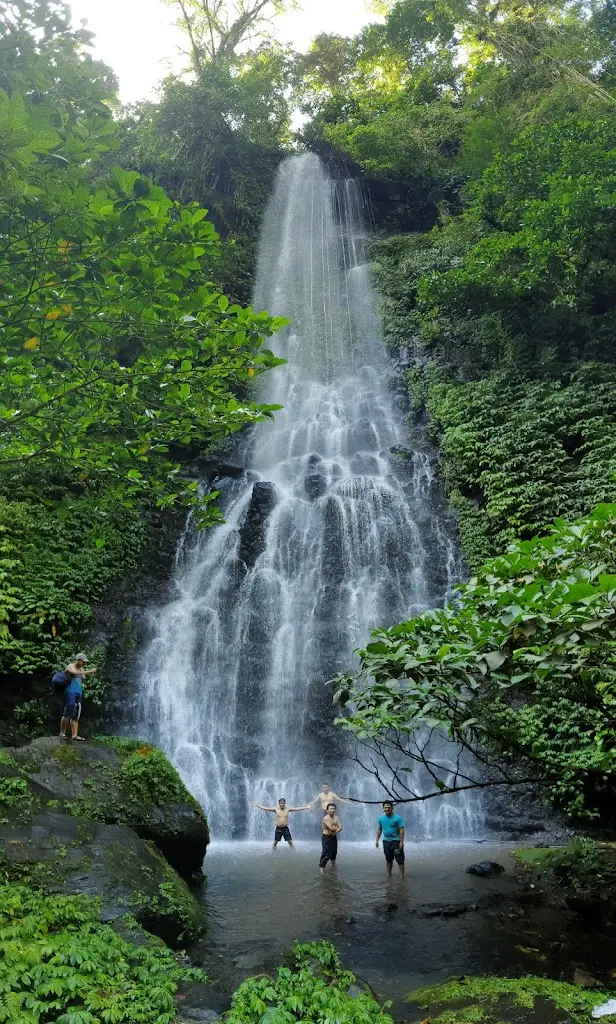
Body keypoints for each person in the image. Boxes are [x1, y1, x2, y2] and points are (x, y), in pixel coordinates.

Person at [60, 653, 97, 742]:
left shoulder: (81, 669)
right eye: (83, 662)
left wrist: (91, 674)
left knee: (76, 714)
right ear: (78, 660)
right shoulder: (70, 666)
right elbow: (74, 672)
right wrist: (88, 671)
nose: (84, 664)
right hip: (70, 692)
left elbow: (83, 676)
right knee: (67, 712)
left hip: (78, 692)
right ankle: (62, 733)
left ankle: (75, 735)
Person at [376, 801, 405, 878]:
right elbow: (379, 829)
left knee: (400, 860)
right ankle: (389, 875)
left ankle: (402, 876)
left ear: (392, 808)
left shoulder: (398, 818)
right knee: (388, 859)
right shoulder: (381, 818)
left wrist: (401, 842)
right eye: (385, 807)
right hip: (386, 842)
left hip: (396, 841)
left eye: (388, 807)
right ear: (383, 809)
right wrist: (377, 840)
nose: (387, 809)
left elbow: (401, 830)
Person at [319, 802, 342, 874]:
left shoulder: (336, 817)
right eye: (331, 809)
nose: (332, 810)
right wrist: (336, 828)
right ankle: (321, 869)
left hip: (333, 837)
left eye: (333, 809)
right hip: (326, 838)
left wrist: (335, 830)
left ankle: (333, 866)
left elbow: (340, 827)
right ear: (327, 810)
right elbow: (332, 828)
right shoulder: (326, 818)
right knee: (326, 853)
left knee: (334, 852)